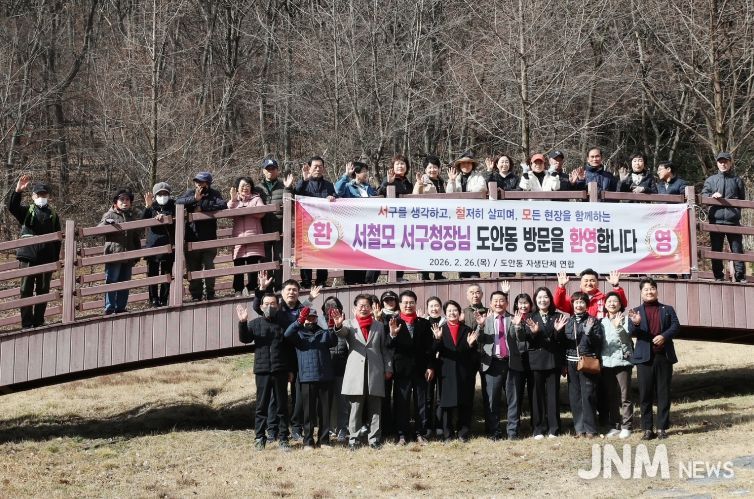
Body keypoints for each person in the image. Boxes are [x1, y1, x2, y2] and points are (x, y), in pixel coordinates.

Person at [333, 294, 394, 450]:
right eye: (360, 305)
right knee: (355, 408)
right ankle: (353, 439)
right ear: (355, 308)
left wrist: (388, 367)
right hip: (356, 372)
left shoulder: (378, 325)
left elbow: (384, 349)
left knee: (375, 408)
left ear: (371, 308)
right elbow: (342, 333)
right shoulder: (348, 324)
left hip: (375, 370)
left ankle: (374, 439)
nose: (363, 308)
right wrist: (338, 325)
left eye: (366, 305)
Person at [236, 295, 294, 451]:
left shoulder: (284, 324)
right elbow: (245, 339)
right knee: (261, 406)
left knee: (282, 406)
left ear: (278, 306)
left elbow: (289, 349)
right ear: (261, 307)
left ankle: (283, 438)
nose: (270, 307)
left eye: (273, 304)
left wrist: (290, 369)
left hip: (280, 370)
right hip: (262, 371)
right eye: (267, 304)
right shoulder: (255, 324)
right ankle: (260, 438)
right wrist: (243, 322)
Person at [628, 277, 680, 440]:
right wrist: (636, 323)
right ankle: (647, 429)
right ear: (641, 293)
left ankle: (662, 428)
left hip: (663, 356)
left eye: (652, 288)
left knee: (663, 393)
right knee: (645, 394)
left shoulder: (667, 309)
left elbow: (676, 326)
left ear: (656, 291)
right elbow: (630, 332)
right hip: (644, 358)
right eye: (646, 289)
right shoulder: (636, 311)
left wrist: (664, 336)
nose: (649, 292)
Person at [7, 175, 62, 328]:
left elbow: (58, 239)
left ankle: (38, 321)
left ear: (48, 196)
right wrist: (18, 191)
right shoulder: (26, 211)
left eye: (44, 194)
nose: (41, 197)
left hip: (47, 258)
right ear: (33, 196)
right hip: (28, 257)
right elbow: (12, 207)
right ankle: (26, 323)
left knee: (43, 291)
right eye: (38, 194)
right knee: (25, 290)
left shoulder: (53, 215)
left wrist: (55, 260)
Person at [284, 306, 338, 449]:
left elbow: (334, 341)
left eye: (313, 317)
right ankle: (308, 441)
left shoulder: (324, 333)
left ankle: (324, 440)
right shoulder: (298, 335)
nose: (310, 320)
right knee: (308, 412)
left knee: (324, 411)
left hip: (325, 377)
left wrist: (331, 326)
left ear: (316, 319)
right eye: (307, 318)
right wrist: (298, 321)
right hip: (306, 377)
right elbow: (287, 334)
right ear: (303, 319)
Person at [517, 287, 566, 439]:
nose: (542, 300)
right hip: (536, 361)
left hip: (553, 360)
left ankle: (554, 428)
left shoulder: (558, 316)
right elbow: (527, 340)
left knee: (553, 395)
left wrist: (558, 331)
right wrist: (534, 332)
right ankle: (538, 428)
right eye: (539, 297)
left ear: (550, 299)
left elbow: (561, 342)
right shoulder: (530, 317)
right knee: (536, 395)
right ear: (535, 300)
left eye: (545, 297)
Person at [388, 290, 435, 444]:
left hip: (421, 370)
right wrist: (393, 335)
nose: (408, 305)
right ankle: (401, 434)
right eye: (405, 303)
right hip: (401, 370)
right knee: (401, 403)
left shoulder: (424, 323)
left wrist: (430, 366)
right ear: (400, 304)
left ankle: (420, 433)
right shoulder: (393, 322)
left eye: (411, 302)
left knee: (421, 403)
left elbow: (429, 348)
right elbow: (388, 346)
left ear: (415, 304)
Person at [431, 300, 480, 442]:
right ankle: (448, 433)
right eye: (449, 311)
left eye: (455, 310)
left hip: (464, 372)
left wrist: (471, 345)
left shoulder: (467, 330)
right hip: (446, 372)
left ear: (460, 313)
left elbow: (474, 356)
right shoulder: (440, 330)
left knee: (465, 402)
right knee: (446, 404)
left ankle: (463, 433)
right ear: (445, 314)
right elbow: (433, 351)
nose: (452, 313)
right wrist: (437, 339)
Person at [176, 171, 226, 301]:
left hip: (209, 238)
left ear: (208, 183)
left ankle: (210, 293)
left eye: (201, 182)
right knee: (193, 268)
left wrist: (203, 207)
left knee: (209, 266)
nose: (199, 184)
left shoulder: (214, 194)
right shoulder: (190, 193)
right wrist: (194, 199)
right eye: (197, 181)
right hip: (192, 238)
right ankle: (196, 295)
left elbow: (223, 204)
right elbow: (178, 202)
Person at [560, 291, 603, 438]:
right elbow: (563, 344)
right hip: (571, 362)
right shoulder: (568, 322)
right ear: (572, 305)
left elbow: (598, 343)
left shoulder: (593, 321)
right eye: (576, 302)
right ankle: (579, 429)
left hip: (587, 362)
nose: (579, 305)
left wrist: (589, 333)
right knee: (575, 396)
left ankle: (591, 429)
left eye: (582, 302)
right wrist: (563, 364)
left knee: (588, 395)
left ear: (587, 305)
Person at [701, 151, 747, 282]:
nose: (723, 164)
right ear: (717, 164)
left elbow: (742, 199)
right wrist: (711, 196)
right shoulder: (710, 180)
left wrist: (735, 211)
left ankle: (740, 276)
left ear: (730, 163)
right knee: (716, 249)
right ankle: (718, 276)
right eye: (720, 162)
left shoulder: (737, 180)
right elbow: (703, 195)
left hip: (733, 220)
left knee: (737, 249)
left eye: (725, 161)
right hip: (716, 220)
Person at [294, 156, 336, 288]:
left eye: (320, 166)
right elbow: (295, 194)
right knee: (306, 252)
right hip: (306, 224)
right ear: (309, 168)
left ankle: (321, 281)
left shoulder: (328, 185)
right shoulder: (304, 183)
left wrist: (333, 197)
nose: (318, 169)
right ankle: (306, 282)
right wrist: (303, 180)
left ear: (324, 168)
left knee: (323, 251)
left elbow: (336, 197)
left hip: (323, 224)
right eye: (315, 166)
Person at [98, 189, 141, 315]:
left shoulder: (131, 216)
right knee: (112, 280)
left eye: (127, 200)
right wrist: (107, 224)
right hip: (114, 254)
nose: (125, 202)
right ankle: (109, 308)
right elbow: (97, 231)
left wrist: (137, 253)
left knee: (125, 282)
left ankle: (121, 307)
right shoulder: (109, 215)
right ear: (116, 201)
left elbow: (136, 235)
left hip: (129, 254)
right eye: (122, 199)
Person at [335, 161, 378, 285]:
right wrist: (346, 175)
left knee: (370, 260)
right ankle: (352, 284)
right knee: (354, 257)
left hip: (369, 229)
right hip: (352, 229)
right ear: (356, 172)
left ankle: (369, 283)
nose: (366, 174)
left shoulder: (368, 188)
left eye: (366, 171)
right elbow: (338, 191)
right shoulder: (348, 186)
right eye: (364, 171)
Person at [477, 290, 512, 440]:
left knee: (512, 398)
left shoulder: (513, 319)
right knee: (492, 399)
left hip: (510, 363)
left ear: (507, 303)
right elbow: (478, 340)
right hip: (492, 364)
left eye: (501, 300)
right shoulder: (486, 320)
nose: (498, 303)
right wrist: (481, 326)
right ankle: (494, 431)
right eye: (495, 301)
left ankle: (512, 431)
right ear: (490, 304)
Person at [255, 158, 294, 291]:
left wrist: (288, 188)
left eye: (273, 169)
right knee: (265, 258)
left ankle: (279, 285)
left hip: (280, 226)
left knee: (280, 257)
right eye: (268, 169)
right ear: (263, 171)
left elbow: (290, 203)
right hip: (263, 227)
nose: (270, 171)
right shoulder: (257, 188)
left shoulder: (284, 185)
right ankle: (266, 286)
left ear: (277, 170)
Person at [600, 291, 634, 439]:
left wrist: (618, 326)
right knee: (611, 396)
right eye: (609, 301)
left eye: (615, 301)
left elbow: (627, 340)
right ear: (605, 305)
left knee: (625, 395)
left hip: (622, 361)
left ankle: (627, 426)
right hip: (606, 363)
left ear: (620, 305)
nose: (612, 304)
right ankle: (615, 425)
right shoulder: (601, 322)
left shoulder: (626, 320)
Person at [227, 176, 265, 296]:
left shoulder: (256, 198)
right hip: (238, 237)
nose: (245, 188)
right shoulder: (235, 200)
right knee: (238, 263)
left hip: (253, 235)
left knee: (252, 264)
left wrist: (245, 209)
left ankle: (252, 288)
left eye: (248, 185)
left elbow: (261, 212)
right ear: (237, 188)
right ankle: (238, 289)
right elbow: (229, 213)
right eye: (242, 185)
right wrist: (233, 200)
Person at [319, 296, 350, 442]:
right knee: (327, 402)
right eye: (328, 306)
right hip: (325, 368)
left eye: (334, 306)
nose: (331, 309)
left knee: (342, 402)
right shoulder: (319, 324)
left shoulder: (346, 324)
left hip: (342, 368)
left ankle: (342, 429)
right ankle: (329, 428)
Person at [412, 155, 448, 281]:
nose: (433, 170)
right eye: (430, 167)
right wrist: (419, 184)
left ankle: (438, 273)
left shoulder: (442, 182)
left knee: (439, 246)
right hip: (425, 219)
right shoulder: (421, 180)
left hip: (441, 219)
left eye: (435, 167)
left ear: (439, 168)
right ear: (425, 169)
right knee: (425, 247)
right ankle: (425, 274)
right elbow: (415, 196)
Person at [143, 182, 175, 307]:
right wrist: (147, 207)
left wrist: (165, 216)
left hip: (168, 245)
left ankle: (164, 298)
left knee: (167, 273)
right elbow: (142, 220)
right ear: (155, 196)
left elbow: (176, 217)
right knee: (152, 273)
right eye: (159, 194)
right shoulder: (152, 207)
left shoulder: (173, 205)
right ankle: (153, 299)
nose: (162, 196)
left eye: (165, 193)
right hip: (153, 245)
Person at [509, 292, 536, 437]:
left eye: (526, 303)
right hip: (517, 361)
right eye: (520, 303)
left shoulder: (535, 318)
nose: (523, 306)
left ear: (530, 305)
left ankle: (536, 425)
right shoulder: (512, 318)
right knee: (516, 395)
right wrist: (517, 325)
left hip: (533, 360)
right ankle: (514, 428)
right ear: (516, 305)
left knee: (534, 393)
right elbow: (515, 337)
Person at [554, 269, 627, 319]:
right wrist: (561, 287)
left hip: (600, 334)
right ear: (580, 284)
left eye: (592, 281)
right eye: (586, 281)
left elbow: (622, 304)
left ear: (598, 284)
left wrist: (616, 286)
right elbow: (558, 304)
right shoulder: (575, 300)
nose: (589, 283)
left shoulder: (605, 299)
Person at [424, 296, 446, 437]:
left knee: (440, 397)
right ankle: (426, 426)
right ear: (427, 309)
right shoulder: (423, 323)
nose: (434, 308)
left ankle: (439, 425)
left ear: (441, 308)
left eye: (436, 305)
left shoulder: (446, 323)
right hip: (428, 365)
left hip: (443, 364)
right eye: (431, 306)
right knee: (427, 397)